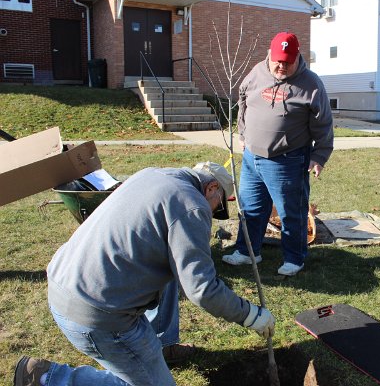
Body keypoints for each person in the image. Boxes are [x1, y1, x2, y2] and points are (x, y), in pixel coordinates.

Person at [13, 162, 275, 386]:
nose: (213, 213)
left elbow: (181, 273)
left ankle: (161, 345)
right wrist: (251, 315)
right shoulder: (192, 206)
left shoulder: (152, 175)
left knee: (173, 275)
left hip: (65, 281)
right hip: (96, 314)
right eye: (217, 206)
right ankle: (48, 378)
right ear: (212, 188)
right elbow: (202, 289)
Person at [222, 32, 334, 276]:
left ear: (297, 58)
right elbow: (242, 100)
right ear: (270, 55)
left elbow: (323, 123)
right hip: (252, 157)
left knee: (290, 211)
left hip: (288, 159)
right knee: (251, 208)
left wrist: (319, 156)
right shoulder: (257, 72)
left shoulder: (311, 84)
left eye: (288, 61)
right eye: (278, 60)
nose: (282, 66)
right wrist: (243, 133)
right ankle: (247, 252)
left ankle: (294, 258)